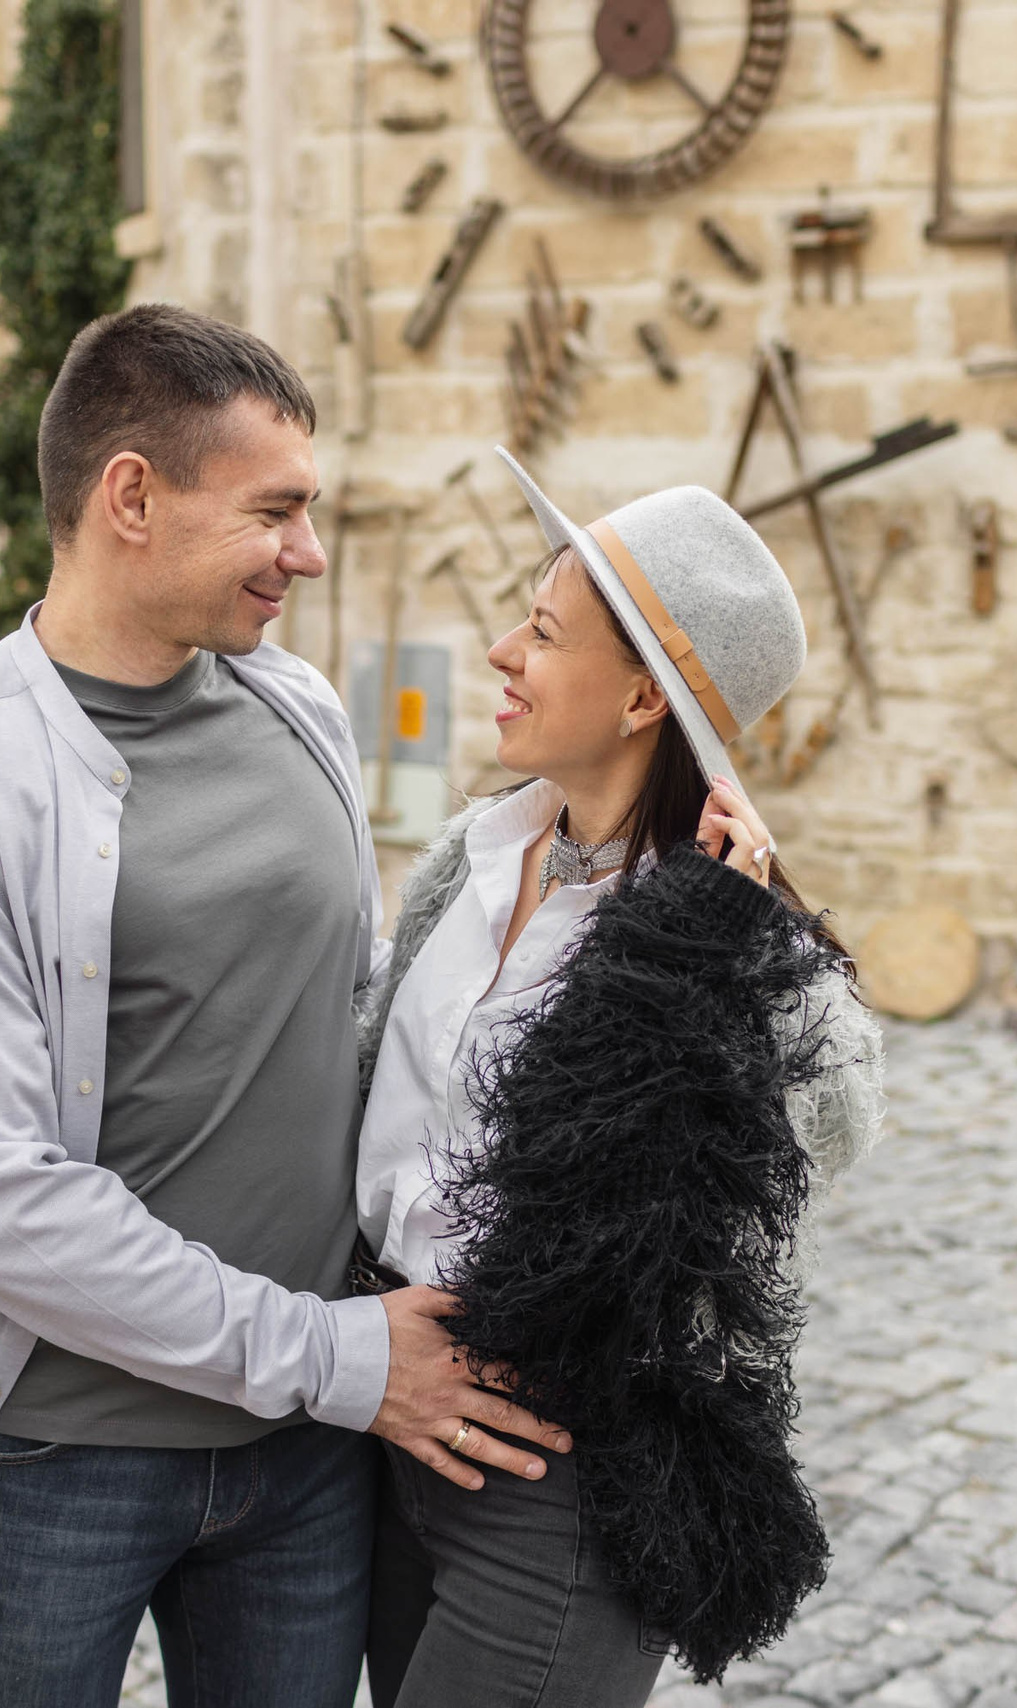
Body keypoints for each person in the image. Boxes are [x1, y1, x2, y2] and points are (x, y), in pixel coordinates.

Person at [0, 305, 568, 1708]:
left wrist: (677, 861)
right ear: (133, 498)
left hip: (301, 1464)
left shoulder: (300, 711)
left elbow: (376, 1020)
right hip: (48, 1467)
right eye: (275, 510)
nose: (310, 551)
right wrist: (339, 1358)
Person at [353, 452, 888, 1706]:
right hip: (379, 1422)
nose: (498, 651)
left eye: (541, 632)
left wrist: (724, 937)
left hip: (555, 1471)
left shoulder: (714, 930)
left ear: (645, 695)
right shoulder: (471, 854)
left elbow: (836, 1119)